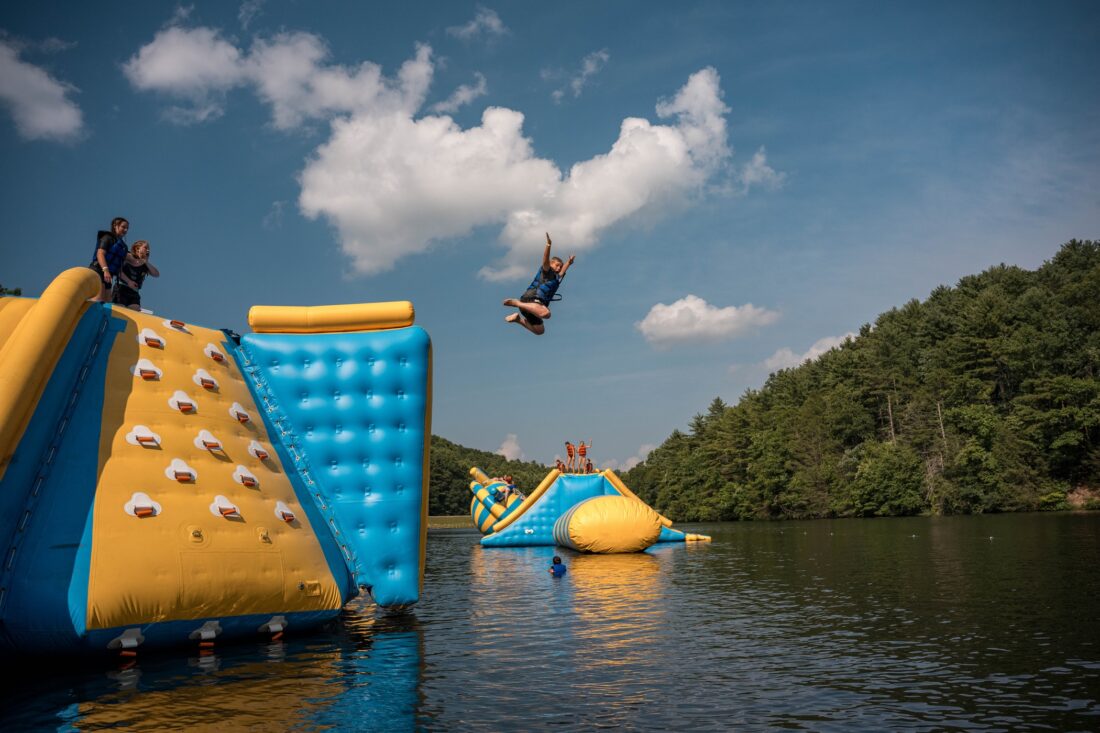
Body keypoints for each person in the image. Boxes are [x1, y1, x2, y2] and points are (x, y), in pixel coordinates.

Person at [503, 232, 575, 335]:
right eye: (557, 265)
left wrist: (569, 263)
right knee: (546, 314)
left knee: (540, 331)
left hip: (534, 308)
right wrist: (548, 245)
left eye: (560, 266)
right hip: (530, 298)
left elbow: (562, 271)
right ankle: (516, 303)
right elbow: (545, 260)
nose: (559, 268)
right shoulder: (546, 271)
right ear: (551, 264)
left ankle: (517, 319)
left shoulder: (557, 277)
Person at [89, 217, 129, 302]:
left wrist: (129, 282)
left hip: (108, 275)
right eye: (123, 227)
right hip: (98, 270)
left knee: (107, 303)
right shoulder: (107, 237)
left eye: (127, 228)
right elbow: (100, 254)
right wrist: (105, 270)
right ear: (115, 226)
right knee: (98, 299)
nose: (125, 230)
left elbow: (119, 268)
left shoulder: (123, 247)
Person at [113, 240, 160, 311]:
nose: (147, 250)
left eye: (148, 249)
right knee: (120, 310)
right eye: (145, 248)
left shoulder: (145, 265)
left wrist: (146, 262)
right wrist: (128, 281)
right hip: (121, 288)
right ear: (137, 248)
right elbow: (117, 269)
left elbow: (156, 274)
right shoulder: (127, 256)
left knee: (134, 311)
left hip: (134, 292)